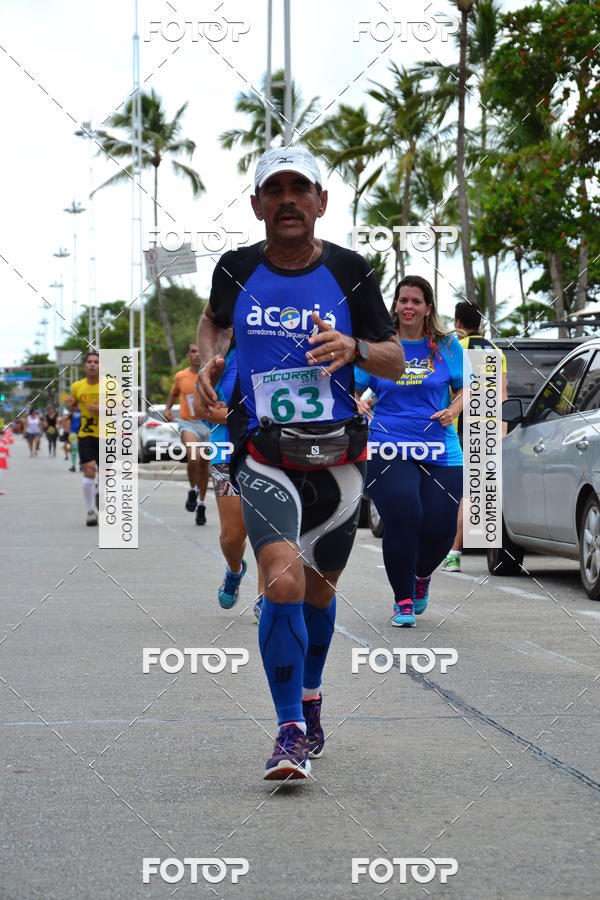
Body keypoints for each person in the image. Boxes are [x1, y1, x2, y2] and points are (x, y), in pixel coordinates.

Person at [195, 146, 404, 781]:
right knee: (282, 581)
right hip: (266, 455)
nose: (287, 200)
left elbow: (397, 358)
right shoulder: (234, 270)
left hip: (339, 461)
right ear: (257, 205)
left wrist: (355, 347)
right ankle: (288, 728)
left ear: (320, 202)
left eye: (299, 189)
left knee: (319, 590)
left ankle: (310, 697)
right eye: (274, 190)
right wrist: (208, 359)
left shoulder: (352, 271)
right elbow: (213, 323)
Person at [355, 275, 466, 627]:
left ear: (427, 307)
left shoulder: (447, 346)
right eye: (403, 300)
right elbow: (353, 391)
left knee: (440, 530)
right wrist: (359, 405)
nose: (408, 306)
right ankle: (402, 599)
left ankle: (420, 576)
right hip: (388, 445)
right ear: (395, 305)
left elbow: (465, 390)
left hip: (440, 445)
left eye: (416, 301)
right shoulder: (379, 346)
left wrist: (453, 410)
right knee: (404, 515)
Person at [443, 300, 507, 573]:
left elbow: (449, 391)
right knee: (478, 492)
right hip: (488, 429)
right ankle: (463, 550)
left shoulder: (455, 349)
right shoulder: (495, 352)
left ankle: (452, 552)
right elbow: (502, 397)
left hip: (457, 427)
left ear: (458, 322)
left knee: (457, 494)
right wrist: (502, 434)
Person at [201, 339, 265, 609]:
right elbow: (207, 410)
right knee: (232, 536)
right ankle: (235, 570)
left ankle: (265, 597)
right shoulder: (222, 360)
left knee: (267, 529)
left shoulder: (278, 350)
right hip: (226, 452)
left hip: (268, 450)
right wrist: (250, 416)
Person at [164, 344, 211, 526]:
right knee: (193, 459)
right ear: (188, 355)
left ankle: (201, 503)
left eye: (200, 350)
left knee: (205, 466)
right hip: (188, 422)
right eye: (193, 351)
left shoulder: (211, 374)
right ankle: (192, 489)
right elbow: (173, 394)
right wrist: (168, 409)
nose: (197, 354)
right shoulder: (181, 376)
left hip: (207, 424)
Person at [65, 351, 100, 526]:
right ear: (85, 366)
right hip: (86, 435)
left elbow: (122, 409)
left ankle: (99, 492)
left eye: (96, 362)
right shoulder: (77, 386)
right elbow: (73, 410)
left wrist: (101, 410)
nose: (93, 365)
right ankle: (91, 512)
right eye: (90, 362)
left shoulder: (110, 386)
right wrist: (70, 407)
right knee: (89, 470)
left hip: (107, 435)